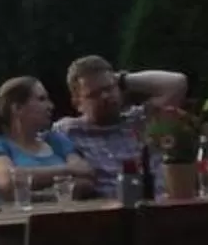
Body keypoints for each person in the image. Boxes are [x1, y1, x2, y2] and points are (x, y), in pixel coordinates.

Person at [56, 56, 189, 198]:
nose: (105, 96)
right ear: (77, 103)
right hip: (109, 212)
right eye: (94, 94)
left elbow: (177, 83)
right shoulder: (68, 131)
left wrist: (123, 79)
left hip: (161, 204)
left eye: (109, 88)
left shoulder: (140, 118)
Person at [0, 76, 94, 207]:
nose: (51, 106)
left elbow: (85, 175)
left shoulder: (55, 139)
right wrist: (67, 172)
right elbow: (8, 181)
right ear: (17, 108)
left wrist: (30, 192)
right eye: (41, 99)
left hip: (63, 218)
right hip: (12, 222)